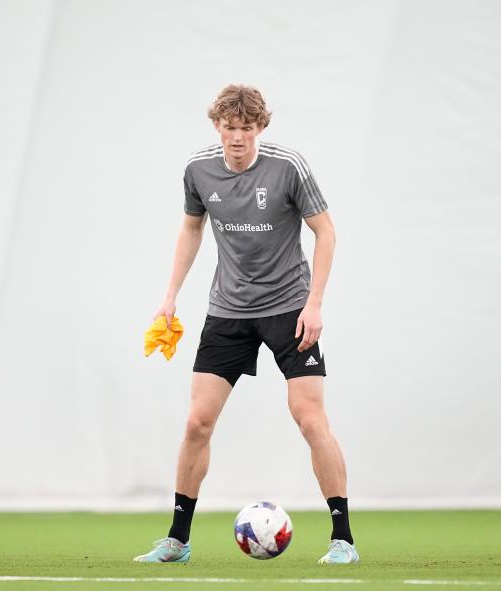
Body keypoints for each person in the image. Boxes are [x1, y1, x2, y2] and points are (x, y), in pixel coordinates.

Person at [133, 85, 358, 564]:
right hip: (228, 311)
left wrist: (314, 303)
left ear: (261, 128)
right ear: (217, 126)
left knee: (309, 416)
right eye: (229, 128)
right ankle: (177, 540)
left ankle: (343, 540)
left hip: (290, 308)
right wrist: (169, 296)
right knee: (197, 422)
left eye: (247, 129)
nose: (237, 138)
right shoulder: (198, 169)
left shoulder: (287, 166)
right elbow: (191, 227)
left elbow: (326, 231)